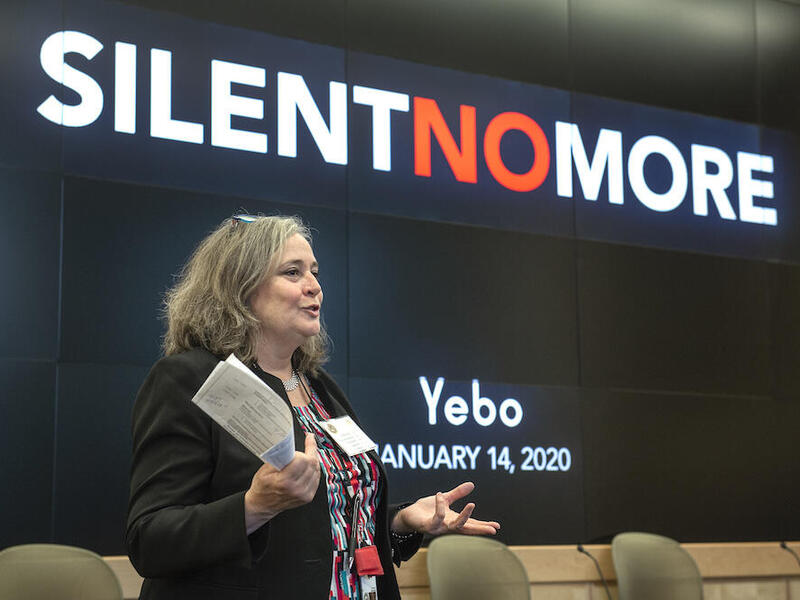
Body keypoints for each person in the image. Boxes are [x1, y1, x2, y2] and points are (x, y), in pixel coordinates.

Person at [126, 214, 500, 600]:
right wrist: (254, 506)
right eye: (293, 272)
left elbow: (325, 526)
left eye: (315, 272)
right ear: (240, 286)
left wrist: (400, 521)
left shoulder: (318, 385)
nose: (315, 287)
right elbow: (149, 539)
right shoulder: (191, 380)